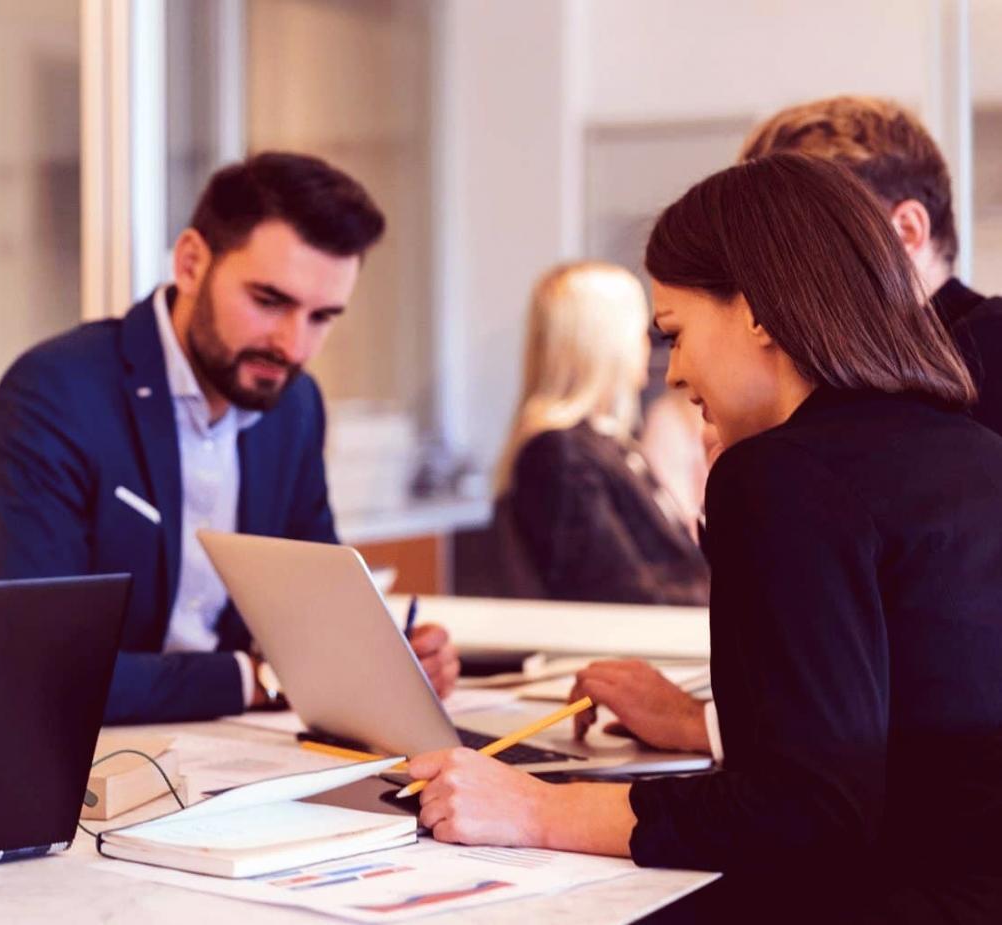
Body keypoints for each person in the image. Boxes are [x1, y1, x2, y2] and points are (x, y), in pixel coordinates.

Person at [404, 154, 1002, 922]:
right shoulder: (974, 450)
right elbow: (902, 734)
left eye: (675, 333)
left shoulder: (782, 473)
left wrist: (533, 808)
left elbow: (801, 810)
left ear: (755, 313)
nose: (675, 372)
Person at [0, 152, 460, 725]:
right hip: (99, 763)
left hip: (242, 755)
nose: (293, 346)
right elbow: (37, 667)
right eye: (269, 301)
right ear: (190, 264)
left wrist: (392, 660)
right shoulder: (58, 394)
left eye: (322, 317)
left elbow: (318, 612)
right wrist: (251, 679)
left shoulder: (294, 407)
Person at [742, 95, 1002, 436]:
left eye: (804, 234)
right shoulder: (854, 379)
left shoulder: (990, 348)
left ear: (907, 230)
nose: (778, 266)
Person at [491, 261, 708, 605]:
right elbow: (617, 592)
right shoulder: (560, 454)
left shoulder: (608, 444)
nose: (647, 347)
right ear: (605, 346)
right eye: (639, 332)